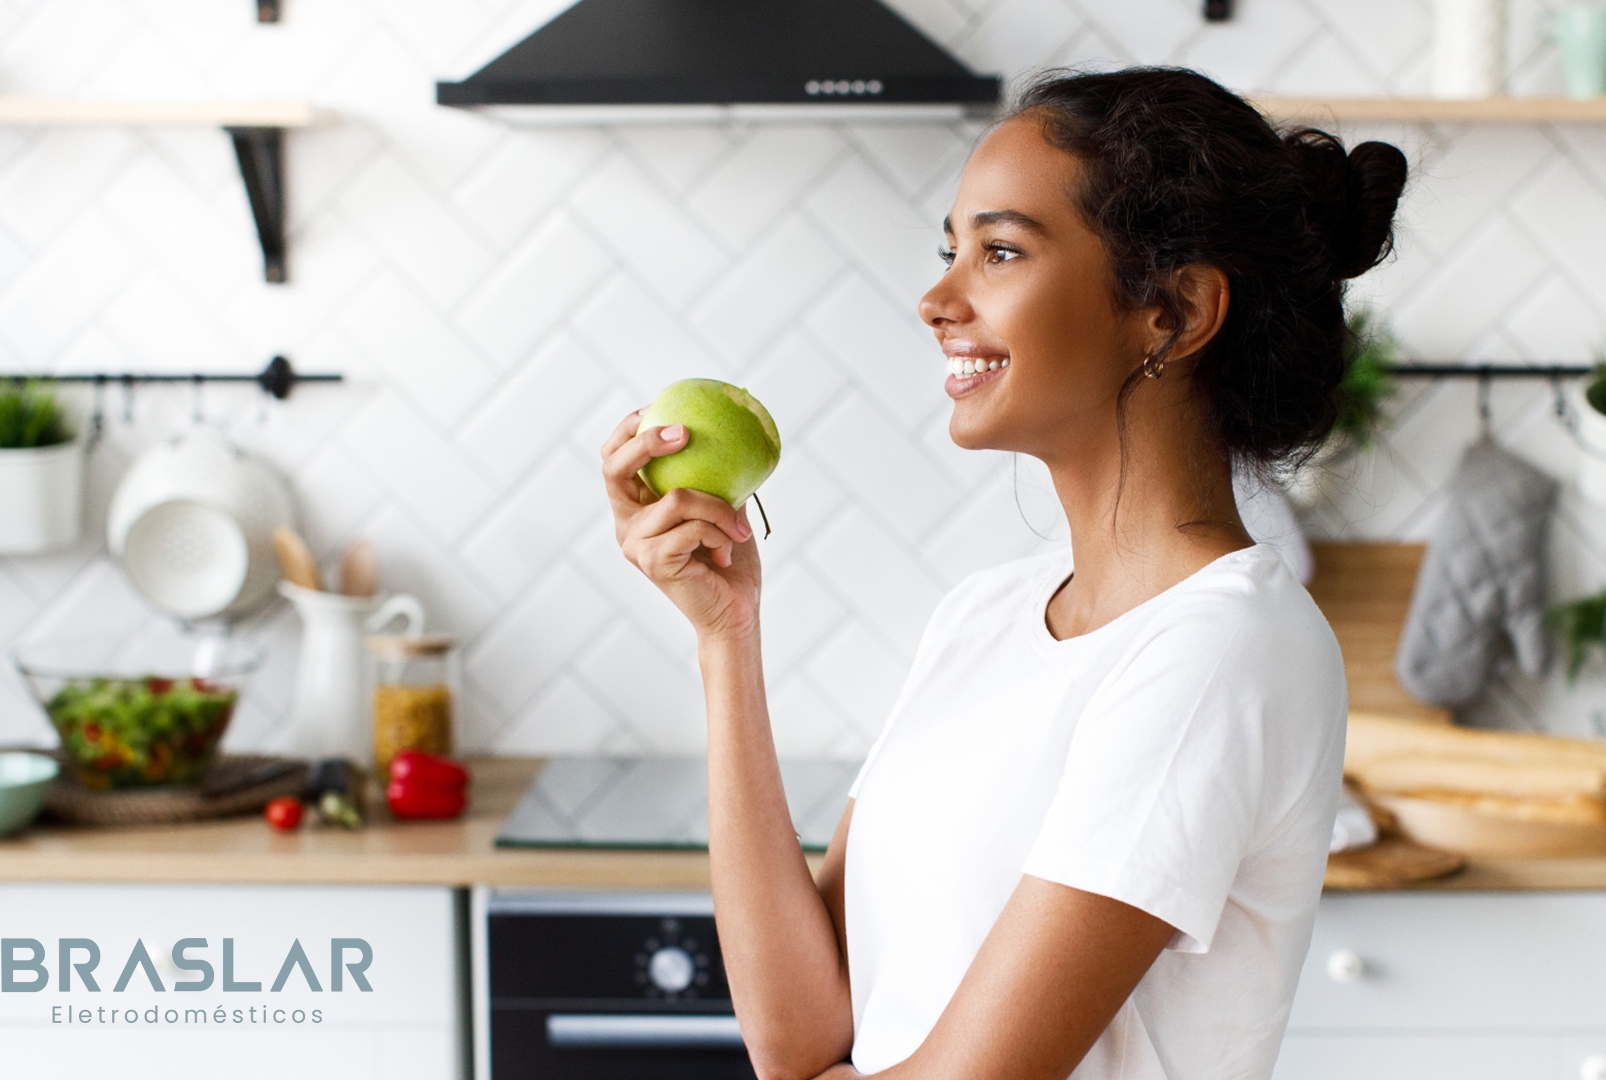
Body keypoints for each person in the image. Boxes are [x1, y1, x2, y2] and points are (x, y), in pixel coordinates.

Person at [600, 66, 1407, 1080]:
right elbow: (801, 1037)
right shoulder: (988, 615)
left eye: (1001, 251)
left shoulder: (1222, 650)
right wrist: (725, 633)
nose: (938, 300)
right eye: (952, 251)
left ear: (1175, 312)